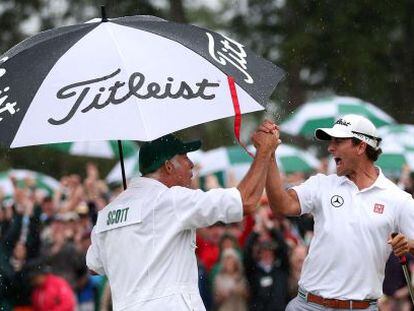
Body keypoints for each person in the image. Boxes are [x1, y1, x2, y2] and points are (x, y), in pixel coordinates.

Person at [86, 131, 277, 311]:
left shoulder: (106, 215)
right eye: (185, 157)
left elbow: (94, 266)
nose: (191, 163)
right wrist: (264, 151)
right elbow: (246, 201)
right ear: (168, 166)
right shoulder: (171, 200)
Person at [259, 114, 414, 310]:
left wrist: (407, 244)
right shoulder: (322, 184)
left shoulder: (398, 199)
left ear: (361, 146)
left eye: (338, 141)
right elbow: (281, 205)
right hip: (307, 305)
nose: (330, 148)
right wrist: (269, 154)